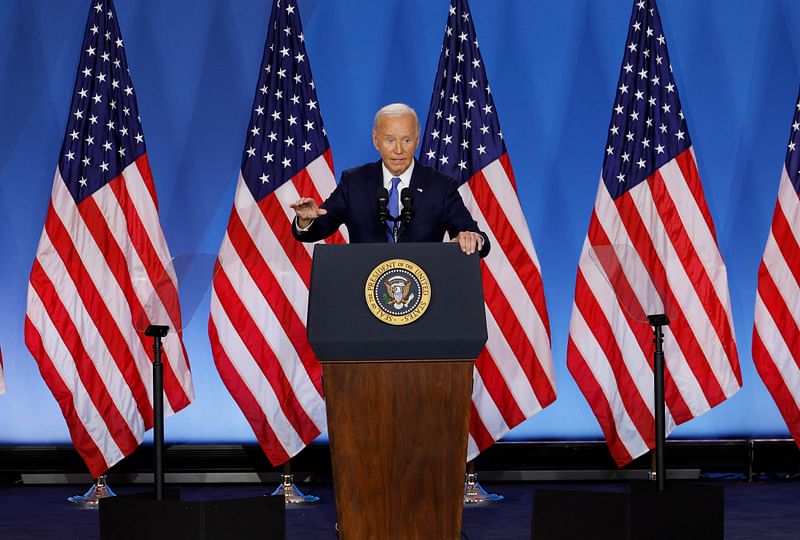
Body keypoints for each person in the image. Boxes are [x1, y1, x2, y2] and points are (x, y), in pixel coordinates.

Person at [290, 103, 490, 257]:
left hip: (423, 294)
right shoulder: (354, 182)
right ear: (376, 140)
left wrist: (471, 238)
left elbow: (479, 240)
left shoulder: (440, 185)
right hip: (365, 292)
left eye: (406, 140)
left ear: (417, 139)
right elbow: (316, 230)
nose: (399, 150)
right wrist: (305, 220)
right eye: (390, 140)